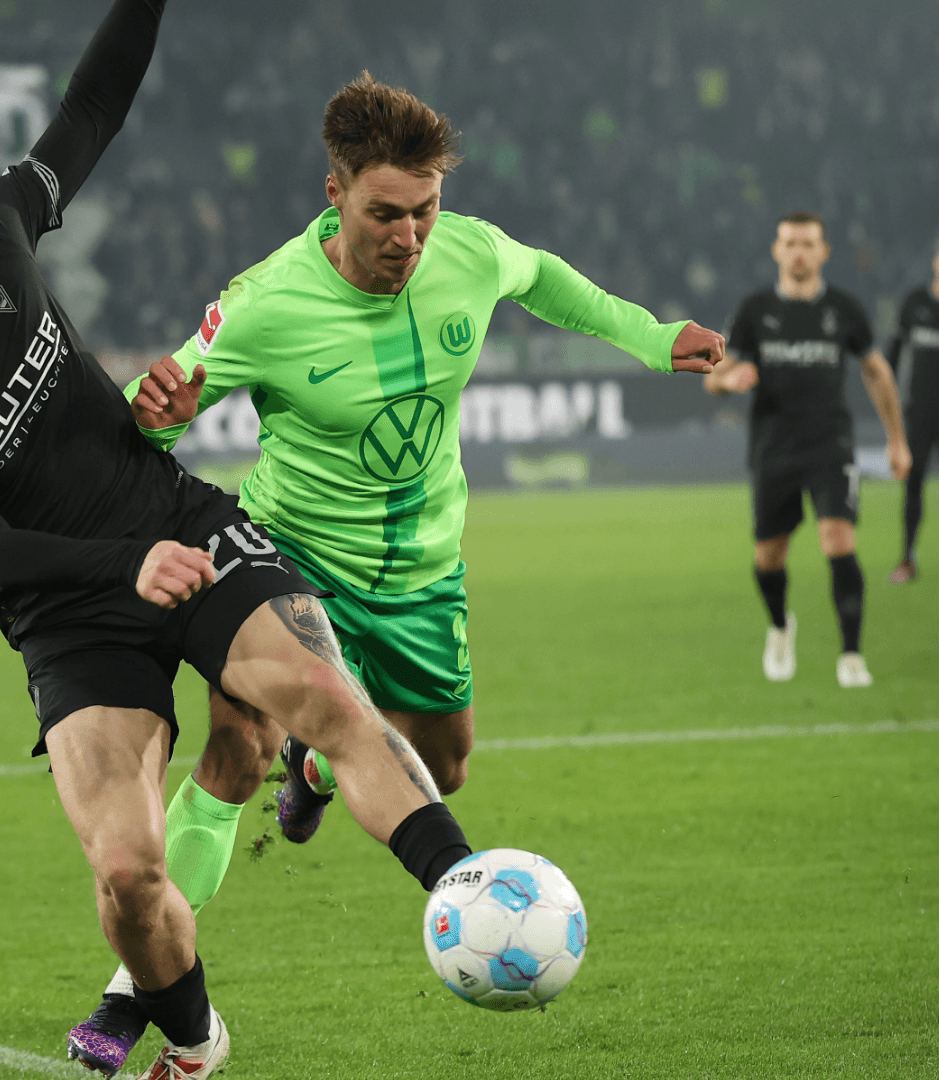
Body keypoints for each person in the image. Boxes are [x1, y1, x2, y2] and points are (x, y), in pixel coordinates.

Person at [0, 9, 475, 1079]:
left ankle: (471, 888)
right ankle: (197, 1038)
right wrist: (119, 568)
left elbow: (93, 106)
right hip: (66, 615)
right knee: (127, 873)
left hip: (178, 524)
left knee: (329, 701)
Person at [64, 72, 724, 1065]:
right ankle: (139, 986)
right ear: (335, 194)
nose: (409, 235)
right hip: (286, 560)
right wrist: (158, 414)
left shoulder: (469, 252)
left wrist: (653, 336)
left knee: (446, 763)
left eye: (425, 209)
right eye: (385, 213)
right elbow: (145, 422)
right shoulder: (264, 304)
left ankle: (321, 763)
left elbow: (546, 278)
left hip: (422, 574)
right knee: (235, 752)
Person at [704, 211, 910, 688]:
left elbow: (877, 372)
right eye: (791, 243)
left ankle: (852, 655)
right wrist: (729, 380)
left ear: (823, 252)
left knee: (838, 539)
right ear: (777, 251)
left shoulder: (844, 309)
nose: (799, 252)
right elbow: (713, 377)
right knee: (768, 557)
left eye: (808, 244)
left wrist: (897, 439)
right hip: (773, 448)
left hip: (830, 445)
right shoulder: (755, 310)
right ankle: (780, 626)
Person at [886, 234, 939, 583]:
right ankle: (907, 559)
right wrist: (890, 403)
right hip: (920, 412)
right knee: (913, 485)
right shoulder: (915, 304)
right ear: (936, 263)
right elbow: (891, 356)